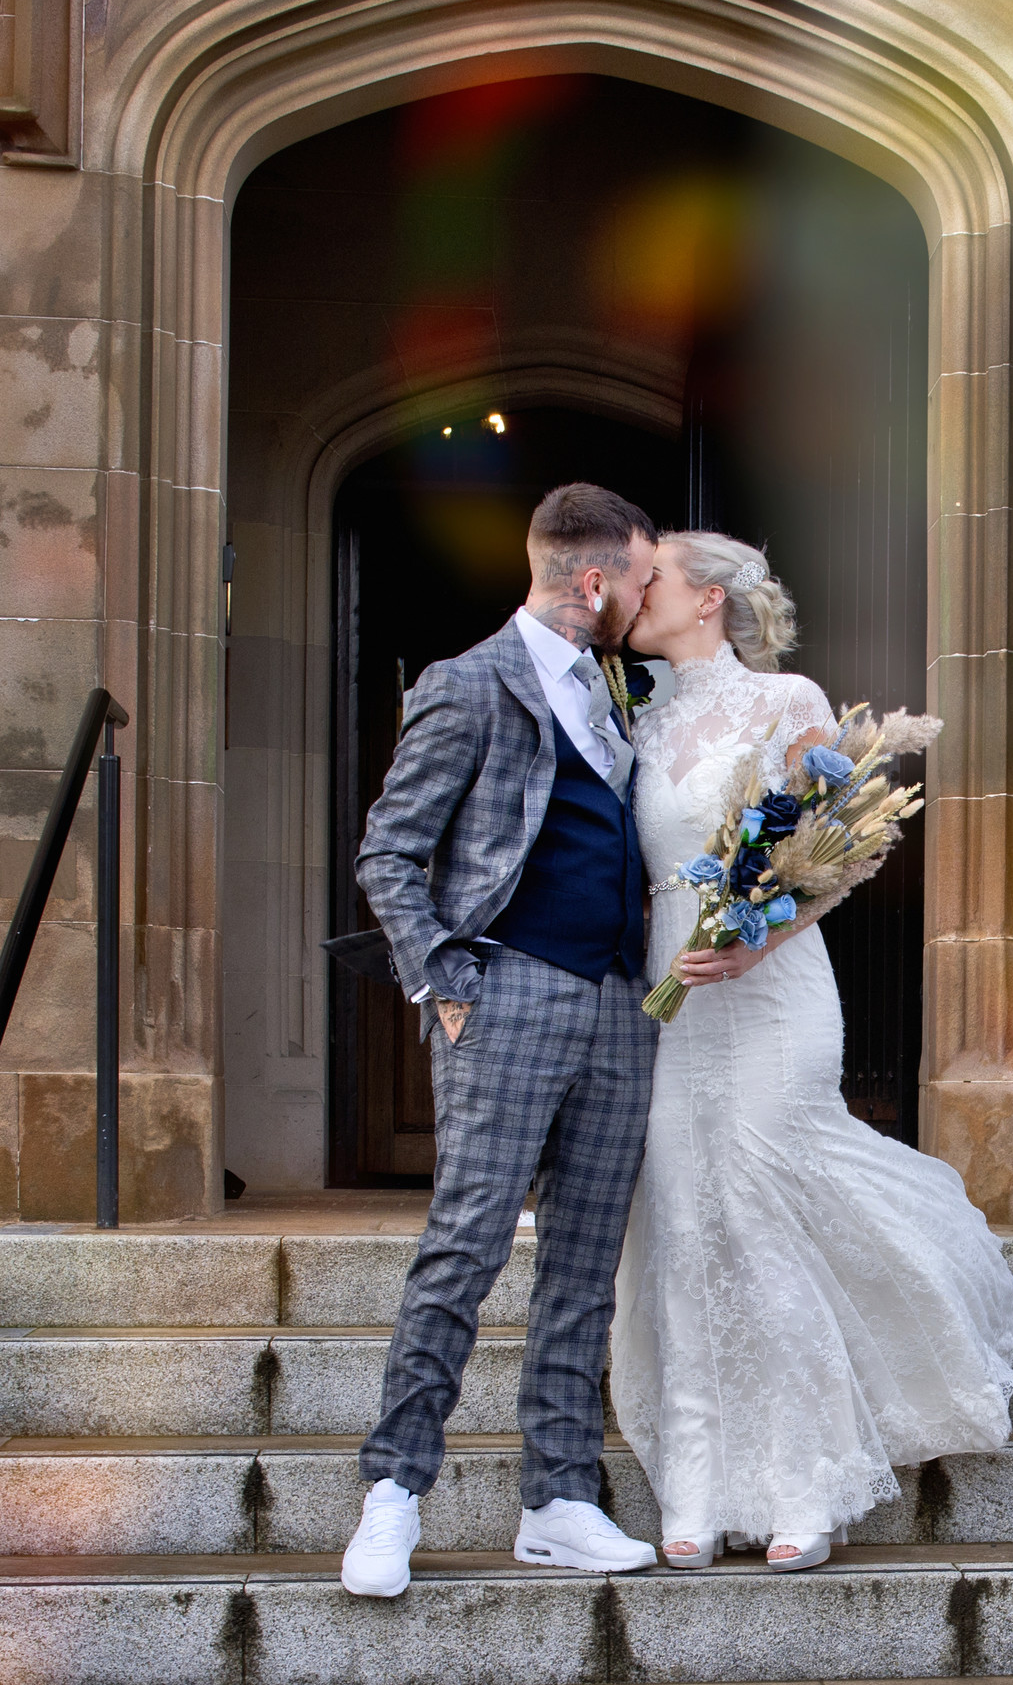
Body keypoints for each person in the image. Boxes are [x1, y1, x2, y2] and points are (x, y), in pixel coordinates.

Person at [611, 529, 1013, 1571]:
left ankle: (804, 1477)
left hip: (773, 991)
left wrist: (759, 934)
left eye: (654, 576)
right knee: (681, 1219)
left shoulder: (788, 703)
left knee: (762, 1204)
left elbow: (845, 856)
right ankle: (698, 1477)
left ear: (710, 597)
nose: (636, 590)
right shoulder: (633, 713)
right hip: (668, 992)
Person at [341, 482, 660, 1597]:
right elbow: (388, 852)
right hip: (508, 995)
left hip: (622, 1008)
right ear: (593, 579)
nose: (644, 595)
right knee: (464, 1250)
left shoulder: (620, 690)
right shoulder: (468, 684)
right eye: (638, 576)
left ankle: (560, 1497)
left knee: (584, 1265)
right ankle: (393, 1492)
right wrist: (447, 977)